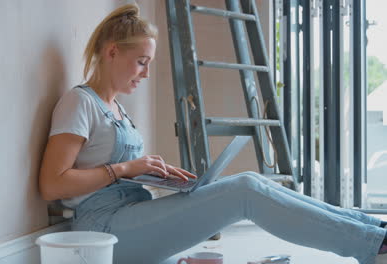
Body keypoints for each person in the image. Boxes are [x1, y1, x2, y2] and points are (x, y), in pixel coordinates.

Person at [38, 4, 387, 264]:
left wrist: (153, 172)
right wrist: (126, 169)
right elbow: (52, 184)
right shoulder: (79, 102)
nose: (145, 72)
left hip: (130, 216)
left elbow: (112, 172)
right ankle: (371, 244)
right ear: (112, 51)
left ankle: (371, 228)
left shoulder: (117, 110)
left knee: (249, 178)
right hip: (105, 233)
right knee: (246, 191)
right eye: (141, 61)